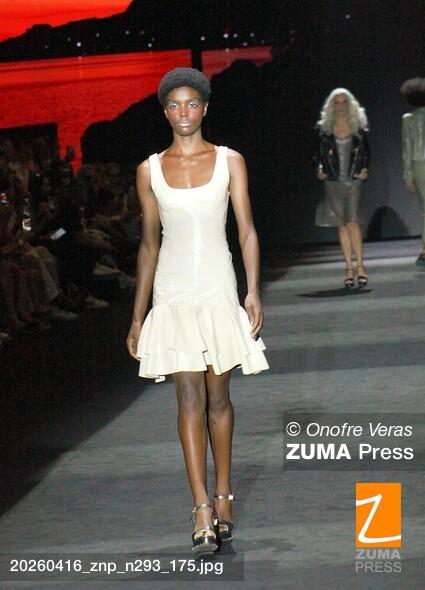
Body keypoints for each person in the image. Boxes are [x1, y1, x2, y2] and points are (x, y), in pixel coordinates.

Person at [126, 67, 269, 554]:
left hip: (216, 285)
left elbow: (246, 230)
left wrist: (252, 291)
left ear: (205, 108)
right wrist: (138, 315)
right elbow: (148, 244)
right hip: (173, 289)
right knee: (188, 396)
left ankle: (224, 493)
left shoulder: (230, 161)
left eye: (191, 104)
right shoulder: (149, 170)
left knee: (218, 397)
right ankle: (202, 507)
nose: (183, 112)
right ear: (164, 112)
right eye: (174, 105)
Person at [314, 88, 370, 288]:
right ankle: (348, 268)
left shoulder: (359, 127)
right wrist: (319, 169)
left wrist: (364, 168)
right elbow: (317, 153)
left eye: (344, 101)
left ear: (350, 104)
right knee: (342, 224)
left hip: (353, 180)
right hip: (333, 181)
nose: (341, 106)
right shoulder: (324, 129)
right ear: (331, 105)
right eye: (337, 102)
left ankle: (360, 266)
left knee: (352, 221)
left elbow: (366, 152)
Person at [400, 77, 425, 268]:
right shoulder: (408, 119)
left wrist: (408, 175)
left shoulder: (408, 119)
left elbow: (407, 148)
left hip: (419, 164)